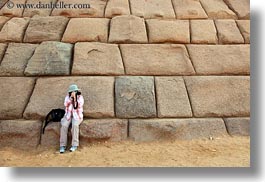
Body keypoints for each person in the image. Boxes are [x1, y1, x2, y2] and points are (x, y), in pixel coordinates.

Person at [59, 84, 84, 153]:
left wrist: (75, 98)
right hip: (68, 115)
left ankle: (74, 145)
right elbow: (65, 104)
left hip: (77, 116)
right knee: (64, 126)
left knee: (75, 126)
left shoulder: (80, 97)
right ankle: (62, 145)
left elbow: (79, 105)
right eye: (72, 92)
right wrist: (71, 98)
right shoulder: (67, 97)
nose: (74, 93)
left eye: (75, 91)